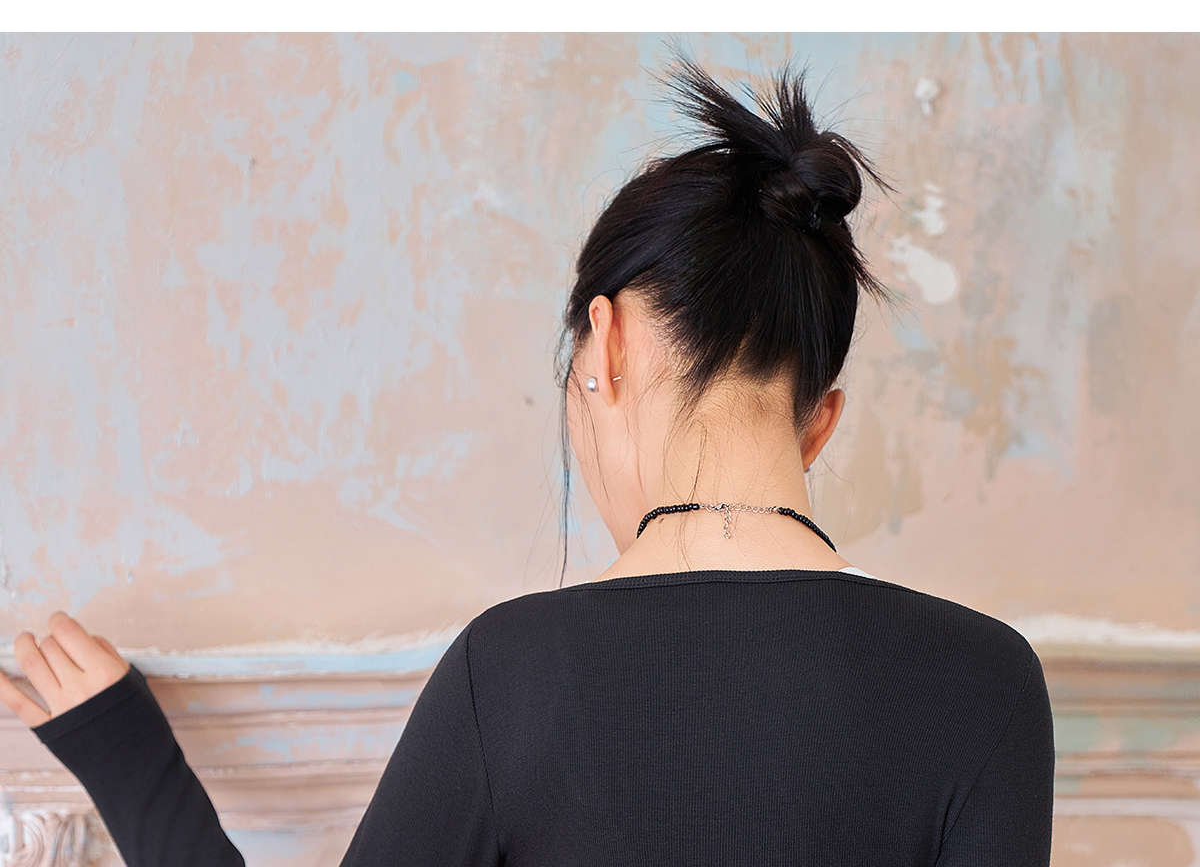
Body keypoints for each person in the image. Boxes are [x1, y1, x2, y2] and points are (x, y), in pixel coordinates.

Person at [0, 58, 1055, 866]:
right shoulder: (988, 683)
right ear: (819, 422)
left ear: (608, 345)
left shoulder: (510, 675)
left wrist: (129, 762)